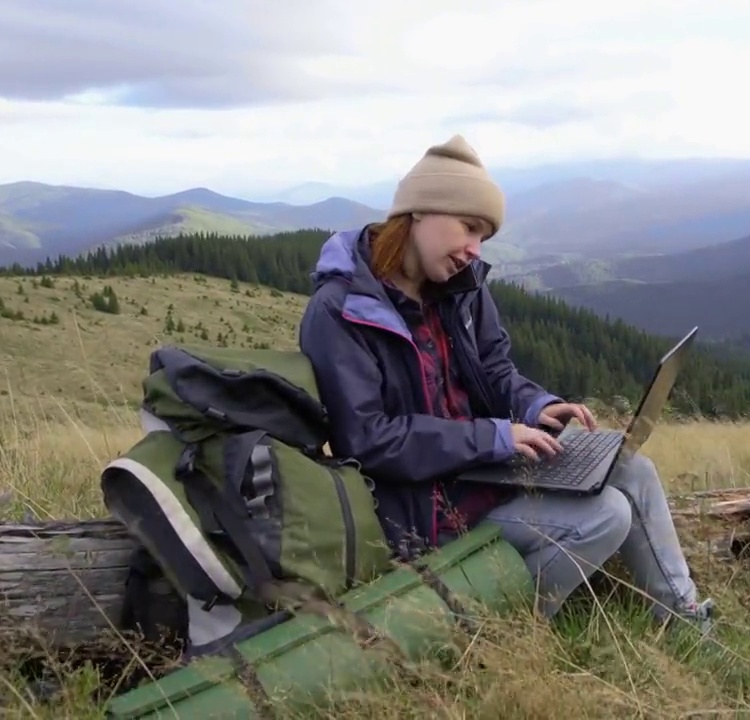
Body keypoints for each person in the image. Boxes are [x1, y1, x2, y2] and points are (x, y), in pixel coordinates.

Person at [297, 134, 715, 634]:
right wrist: (493, 437)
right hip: (421, 511)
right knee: (606, 515)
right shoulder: (342, 310)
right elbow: (367, 439)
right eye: (468, 227)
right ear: (419, 214)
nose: (473, 250)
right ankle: (499, 634)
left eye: (483, 237)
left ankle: (685, 618)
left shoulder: (461, 287)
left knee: (633, 468)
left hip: (482, 471)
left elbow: (495, 369)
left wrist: (536, 405)